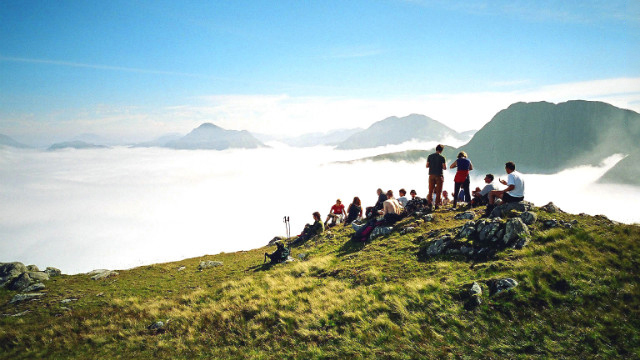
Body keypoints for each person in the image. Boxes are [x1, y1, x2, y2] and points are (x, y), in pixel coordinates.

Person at [426, 144, 447, 210]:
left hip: (431, 175)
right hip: (439, 175)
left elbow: (427, 165)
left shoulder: (430, 156)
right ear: (441, 150)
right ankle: (437, 205)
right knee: (438, 191)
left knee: (430, 190)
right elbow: (444, 167)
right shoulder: (442, 158)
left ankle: (429, 204)